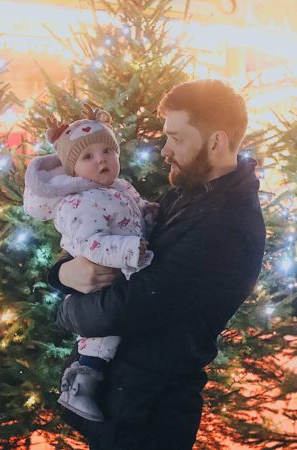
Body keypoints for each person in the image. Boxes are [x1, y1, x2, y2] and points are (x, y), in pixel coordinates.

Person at [49, 79, 266, 450]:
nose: (165, 150)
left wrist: (65, 309)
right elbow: (107, 245)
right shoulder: (190, 193)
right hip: (125, 398)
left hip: (149, 416)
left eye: (176, 138)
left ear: (216, 141)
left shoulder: (227, 225)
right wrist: (62, 273)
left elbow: (132, 306)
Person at [23, 104, 157, 423]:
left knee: (116, 326)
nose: (101, 159)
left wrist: (148, 211)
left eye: (107, 150)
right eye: (88, 156)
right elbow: (89, 244)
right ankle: (80, 385)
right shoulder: (78, 202)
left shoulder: (118, 187)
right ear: (72, 170)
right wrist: (125, 249)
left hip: (124, 266)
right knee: (103, 336)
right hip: (102, 274)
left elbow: (133, 208)